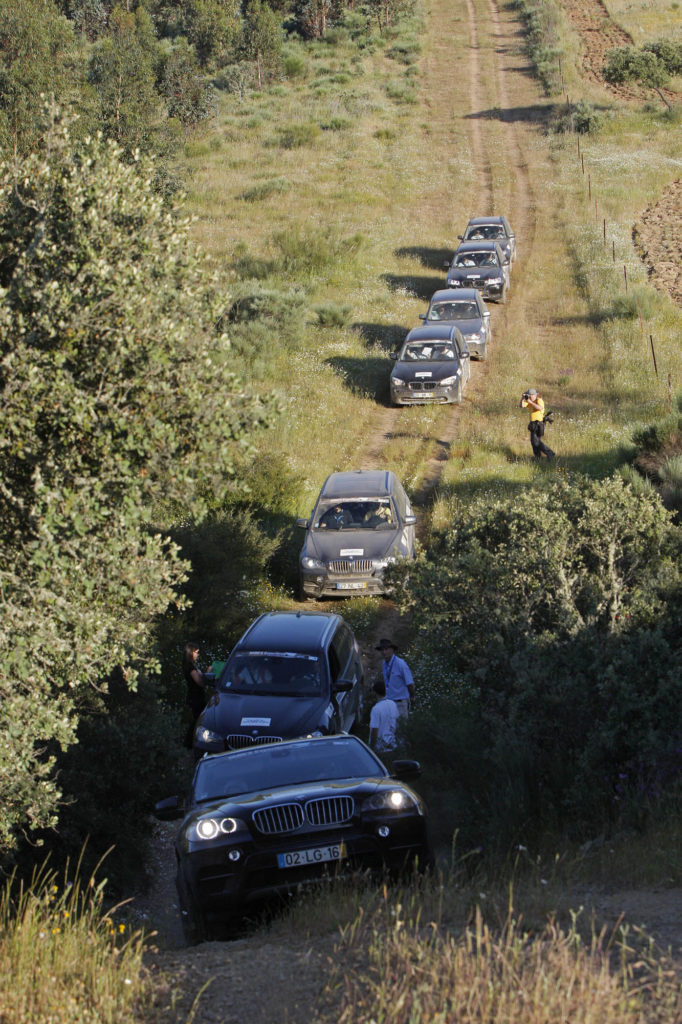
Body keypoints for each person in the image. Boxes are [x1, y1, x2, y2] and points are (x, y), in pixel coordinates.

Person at [183, 642, 215, 748]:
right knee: (197, 721)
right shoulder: (190, 668)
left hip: (197, 697)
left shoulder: (192, 666)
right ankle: (189, 744)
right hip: (195, 698)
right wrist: (208, 672)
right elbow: (200, 683)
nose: (197, 655)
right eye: (196, 652)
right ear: (191, 653)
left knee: (198, 720)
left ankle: (190, 743)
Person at [375, 638, 414, 719]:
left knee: (401, 729)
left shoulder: (401, 664)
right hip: (389, 702)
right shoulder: (384, 663)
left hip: (400, 703)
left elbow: (410, 683)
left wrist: (412, 697)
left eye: (386, 649)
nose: (384, 652)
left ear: (392, 650)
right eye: (382, 650)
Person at [520, 387, 555, 460]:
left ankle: (550, 452)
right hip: (533, 424)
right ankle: (538, 457)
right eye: (528, 395)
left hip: (539, 424)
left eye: (529, 395)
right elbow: (522, 405)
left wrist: (531, 402)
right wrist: (522, 398)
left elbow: (539, 408)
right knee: (534, 442)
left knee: (535, 442)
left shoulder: (539, 400)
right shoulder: (529, 401)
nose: (529, 397)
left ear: (533, 395)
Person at [369, 680, 399, 752]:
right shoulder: (393, 704)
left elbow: (374, 730)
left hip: (380, 748)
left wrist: (371, 748)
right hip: (393, 745)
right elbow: (398, 722)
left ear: (375, 693)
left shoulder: (376, 709)